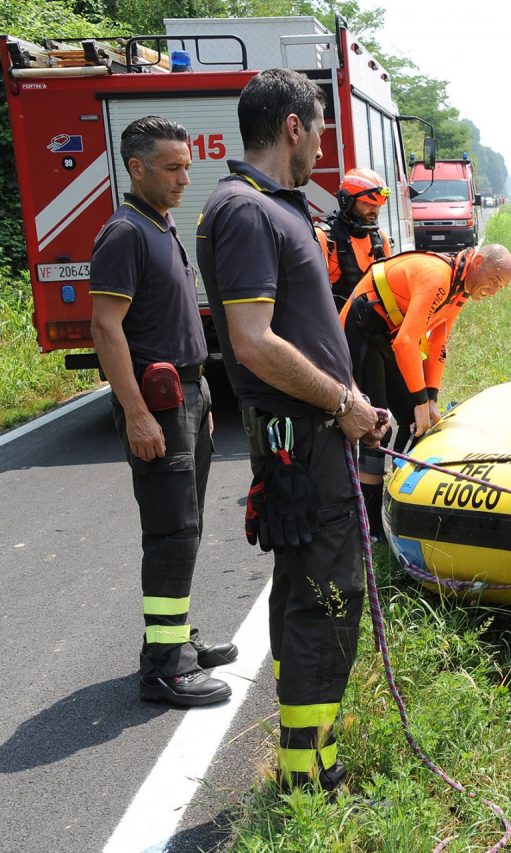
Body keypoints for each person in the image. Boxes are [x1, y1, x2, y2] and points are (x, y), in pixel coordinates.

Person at [195, 68, 387, 793]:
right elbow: (251, 340)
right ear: (293, 127)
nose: (324, 149)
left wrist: (353, 397)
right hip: (303, 437)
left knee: (304, 589)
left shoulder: (272, 206)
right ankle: (311, 775)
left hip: (310, 431)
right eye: (320, 130)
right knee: (325, 599)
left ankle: (305, 748)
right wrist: (341, 402)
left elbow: (300, 331)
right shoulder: (246, 211)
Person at [89, 115, 237, 707]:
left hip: (186, 398)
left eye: (187, 165)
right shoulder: (124, 232)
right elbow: (106, 326)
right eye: (172, 168)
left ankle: (174, 638)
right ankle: (164, 669)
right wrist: (137, 414)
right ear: (137, 167)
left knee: (188, 527)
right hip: (157, 404)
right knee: (171, 535)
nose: (184, 177)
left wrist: (200, 401)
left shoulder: (161, 224)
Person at [338, 245, 511, 538]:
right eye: (495, 280)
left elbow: (437, 346)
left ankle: (392, 497)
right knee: (377, 425)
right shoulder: (439, 276)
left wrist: (430, 399)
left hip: (385, 334)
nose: (494, 291)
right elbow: (408, 342)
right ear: (479, 262)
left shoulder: (460, 290)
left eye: (502, 287)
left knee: (413, 419)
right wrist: (421, 401)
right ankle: (368, 527)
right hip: (360, 328)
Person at [315, 167, 392, 308]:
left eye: (377, 206)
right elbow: (313, 294)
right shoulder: (324, 237)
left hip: (370, 325)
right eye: (368, 204)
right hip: (337, 325)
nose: (374, 211)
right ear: (347, 202)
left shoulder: (380, 238)